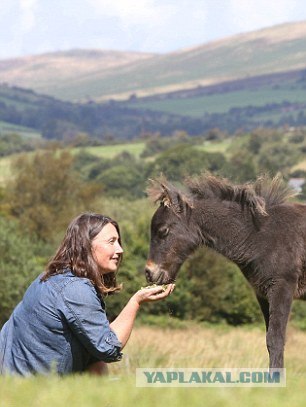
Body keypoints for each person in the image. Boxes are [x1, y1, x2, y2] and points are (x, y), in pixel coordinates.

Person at [0, 212, 174, 376]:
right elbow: (108, 347)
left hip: (11, 384)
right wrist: (136, 302)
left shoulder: (50, 278)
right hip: (31, 393)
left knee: (93, 359)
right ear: (87, 246)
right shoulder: (76, 289)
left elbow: (96, 352)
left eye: (119, 241)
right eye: (111, 241)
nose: (120, 249)